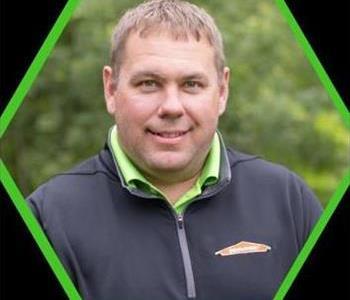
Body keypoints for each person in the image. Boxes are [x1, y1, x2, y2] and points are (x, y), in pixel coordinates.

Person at [27, 0, 323, 299]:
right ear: (111, 89)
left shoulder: (287, 201)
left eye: (192, 84)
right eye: (149, 83)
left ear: (222, 91)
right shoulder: (49, 218)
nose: (171, 106)